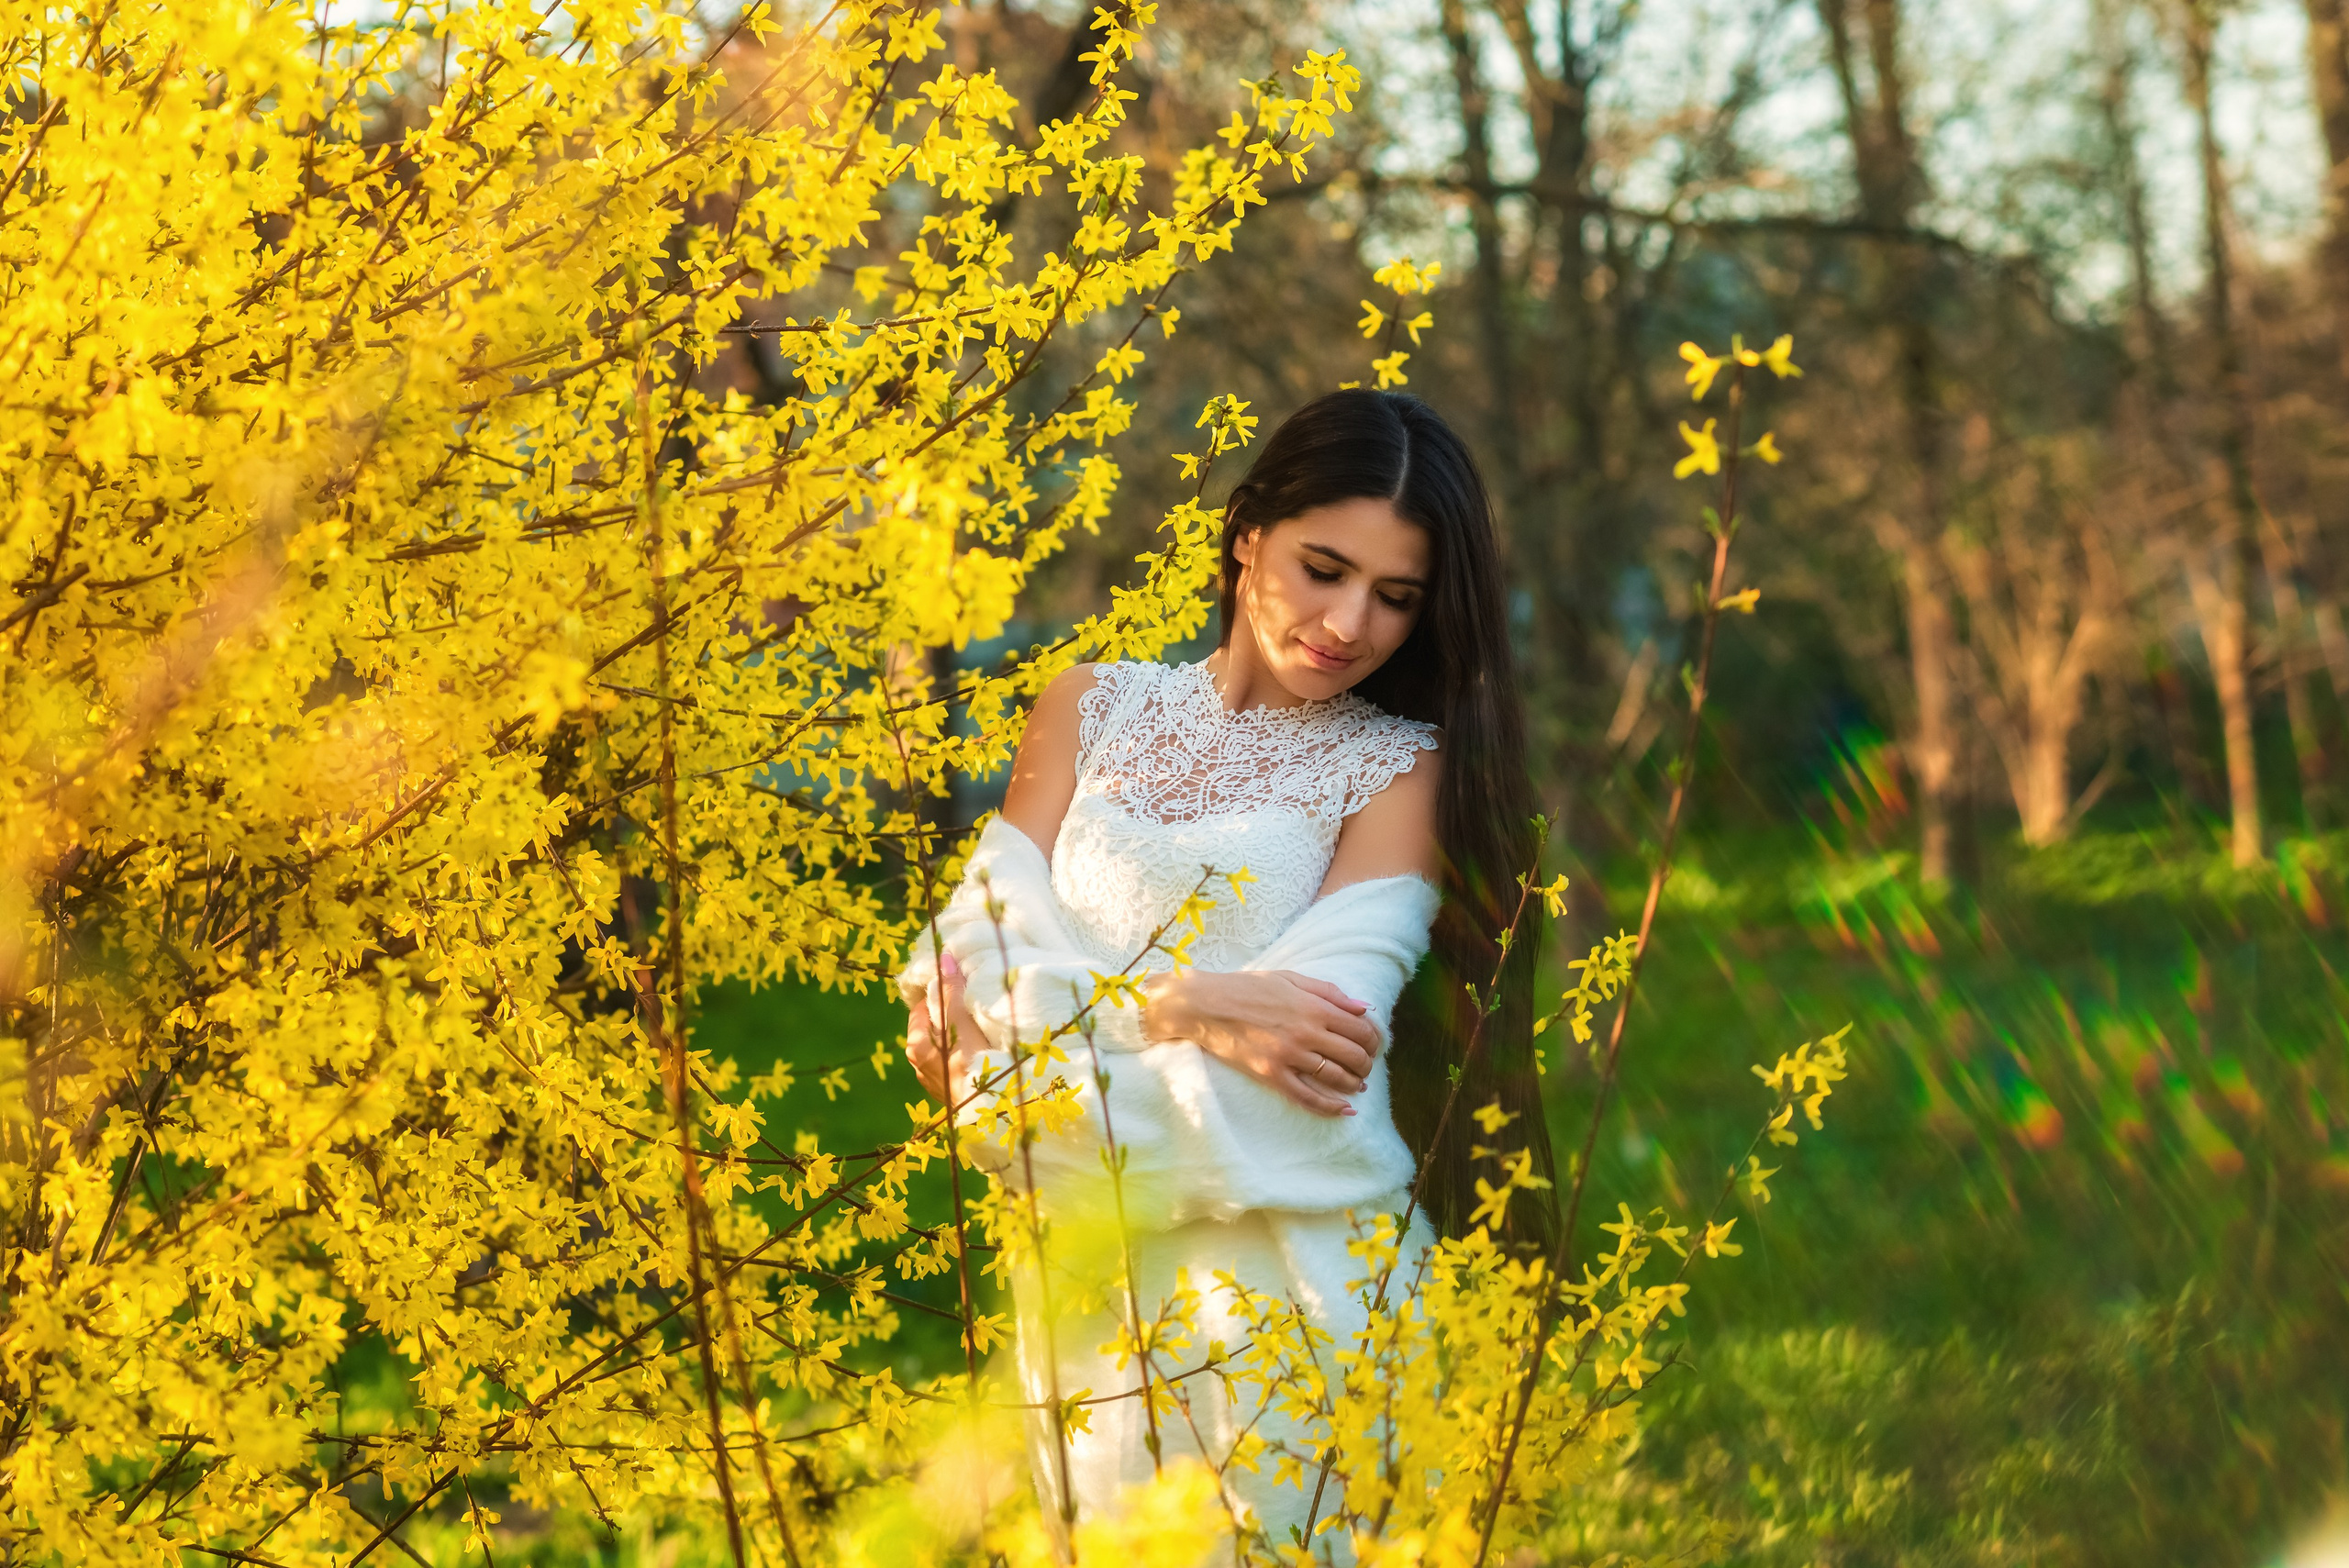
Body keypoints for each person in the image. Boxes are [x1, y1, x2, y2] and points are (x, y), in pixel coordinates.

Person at [896, 387, 1554, 1555]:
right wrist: (1183, 1007)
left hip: (1300, 1305)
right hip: (1084, 1300)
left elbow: (1300, 1103)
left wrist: (1026, 1079)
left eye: (1395, 596)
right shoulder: (1086, 708)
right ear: (1246, 533)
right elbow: (953, 985)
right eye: (1322, 568)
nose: (1349, 622)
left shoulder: (1402, 771)